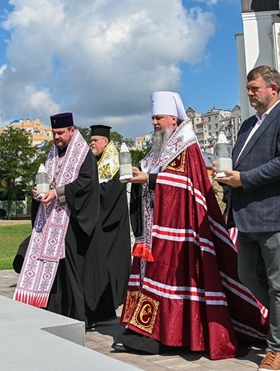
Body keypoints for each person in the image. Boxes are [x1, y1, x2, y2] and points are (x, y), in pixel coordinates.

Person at [116, 91, 266, 360]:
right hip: (153, 230)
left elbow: (186, 186)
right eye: (153, 118)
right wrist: (143, 178)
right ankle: (147, 331)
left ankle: (173, 334)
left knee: (174, 279)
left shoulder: (187, 146)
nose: (155, 123)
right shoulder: (159, 148)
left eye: (159, 118)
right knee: (152, 278)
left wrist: (148, 180)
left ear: (173, 119)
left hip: (181, 232)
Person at [217, 66, 280, 371]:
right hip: (247, 214)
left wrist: (244, 179)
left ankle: (278, 348)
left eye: (255, 88)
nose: (250, 93)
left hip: (276, 214)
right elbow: (239, 162)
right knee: (248, 276)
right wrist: (227, 178)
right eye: (248, 88)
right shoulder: (246, 126)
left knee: (279, 284)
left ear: (274, 88)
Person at [15, 112, 106, 324]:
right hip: (50, 221)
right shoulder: (52, 154)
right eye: (54, 133)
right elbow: (48, 179)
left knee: (70, 271)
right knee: (51, 268)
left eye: (61, 133)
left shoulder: (84, 154)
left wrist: (57, 193)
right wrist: (38, 192)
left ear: (72, 131)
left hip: (72, 222)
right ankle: (51, 309)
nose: (56, 137)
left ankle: (75, 316)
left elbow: (86, 184)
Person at [88, 124, 131, 325]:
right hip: (102, 218)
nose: (92, 143)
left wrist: (92, 194)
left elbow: (111, 189)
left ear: (106, 141)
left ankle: (111, 302)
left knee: (111, 262)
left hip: (112, 219)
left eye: (96, 140)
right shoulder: (96, 160)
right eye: (92, 140)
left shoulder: (114, 160)